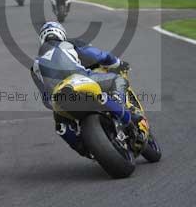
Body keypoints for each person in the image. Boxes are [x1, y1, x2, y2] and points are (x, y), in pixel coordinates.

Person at [30, 22, 144, 157]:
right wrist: (118, 63)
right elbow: (99, 55)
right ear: (61, 33)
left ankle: (84, 149)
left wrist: (56, 108)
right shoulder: (70, 44)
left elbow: (45, 98)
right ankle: (119, 104)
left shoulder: (35, 65)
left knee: (61, 126)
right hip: (81, 80)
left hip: (60, 97)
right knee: (118, 80)